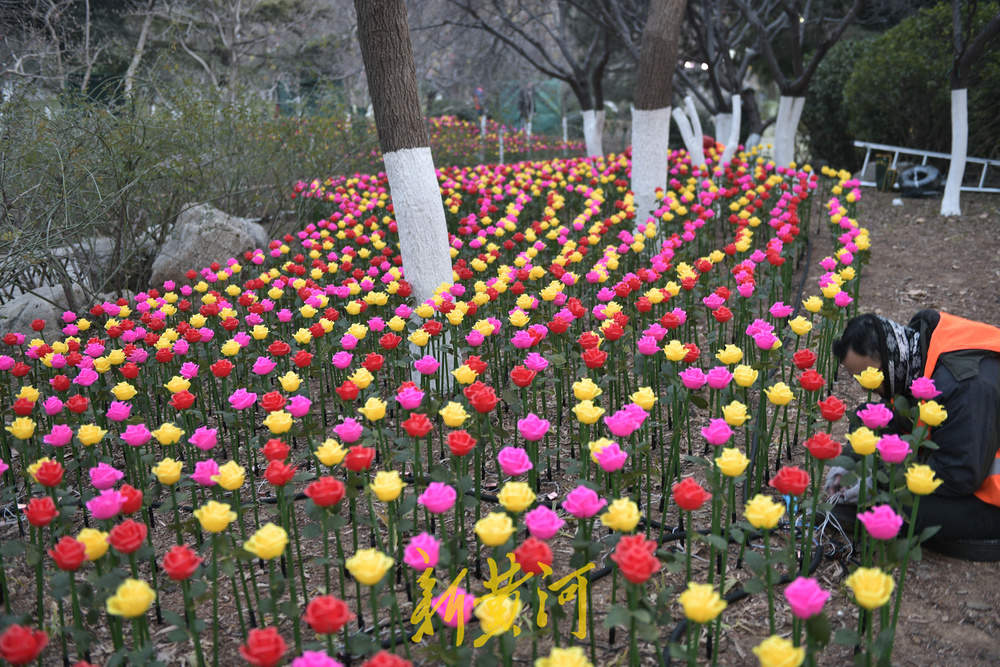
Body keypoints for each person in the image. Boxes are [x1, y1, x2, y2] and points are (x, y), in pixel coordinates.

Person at [828, 309, 1000, 553]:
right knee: (870, 417)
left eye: (871, 376)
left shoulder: (965, 387)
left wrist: (878, 483)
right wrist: (851, 462)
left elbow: (958, 475)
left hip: (987, 497)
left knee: (896, 505)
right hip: (968, 452)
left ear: (889, 360)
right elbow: (898, 414)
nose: (867, 384)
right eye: (858, 377)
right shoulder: (917, 348)